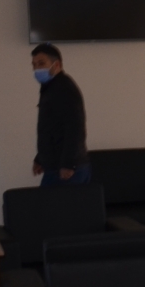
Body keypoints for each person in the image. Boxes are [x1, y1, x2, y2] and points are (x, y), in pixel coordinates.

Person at [30, 43, 87, 186]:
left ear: (56, 65)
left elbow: (75, 128)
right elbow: (50, 128)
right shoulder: (50, 88)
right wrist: (40, 158)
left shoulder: (64, 89)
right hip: (55, 166)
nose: (37, 69)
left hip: (67, 169)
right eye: (34, 65)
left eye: (41, 63)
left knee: (55, 202)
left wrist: (68, 164)